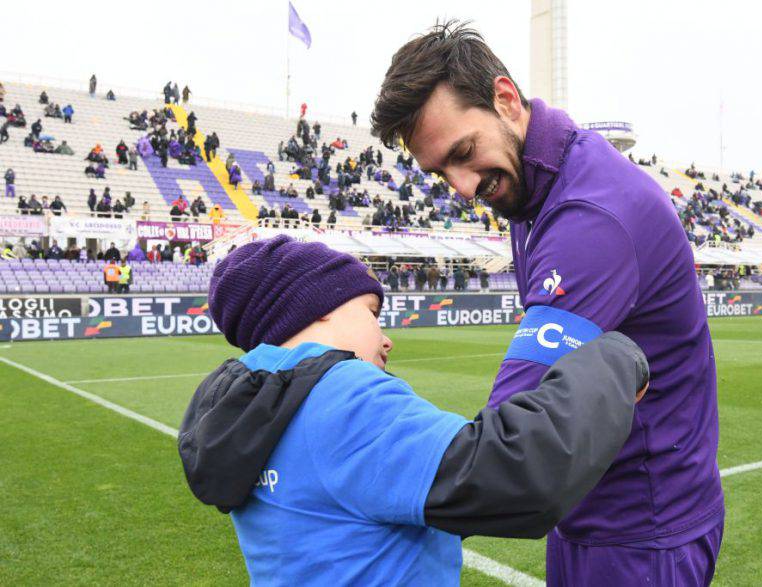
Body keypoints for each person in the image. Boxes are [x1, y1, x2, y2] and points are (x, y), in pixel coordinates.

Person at [371, 21, 723, 585]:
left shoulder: (591, 215)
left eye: (464, 152)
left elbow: (510, 449)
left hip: (641, 529)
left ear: (505, 99)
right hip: (592, 511)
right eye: (441, 171)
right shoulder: (530, 185)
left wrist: (365, 487)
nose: (461, 187)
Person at [178, 235, 648, 586]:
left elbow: (357, 519)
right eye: (371, 312)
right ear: (317, 309)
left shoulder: (256, 407)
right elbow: (514, 475)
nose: (386, 338)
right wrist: (615, 358)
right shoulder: (339, 392)